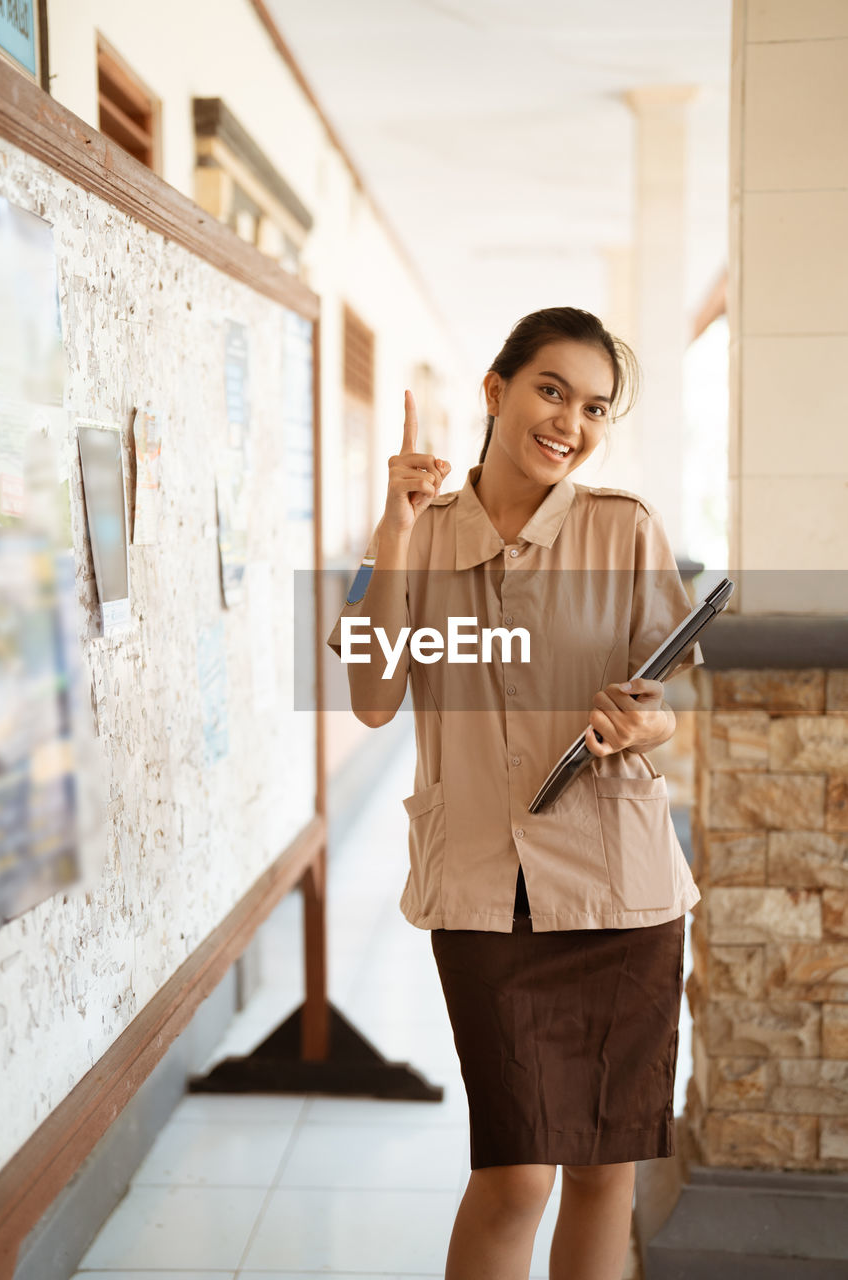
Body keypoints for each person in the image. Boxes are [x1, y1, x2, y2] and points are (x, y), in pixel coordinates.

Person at [327, 306, 703, 1280]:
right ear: (495, 391)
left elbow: (670, 699)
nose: (568, 421)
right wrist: (394, 527)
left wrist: (639, 722)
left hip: (622, 891)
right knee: (516, 1176)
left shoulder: (622, 529)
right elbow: (370, 699)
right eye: (550, 390)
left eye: (592, 406)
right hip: (485, 893)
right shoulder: (416, 536)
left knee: (601, 1173)